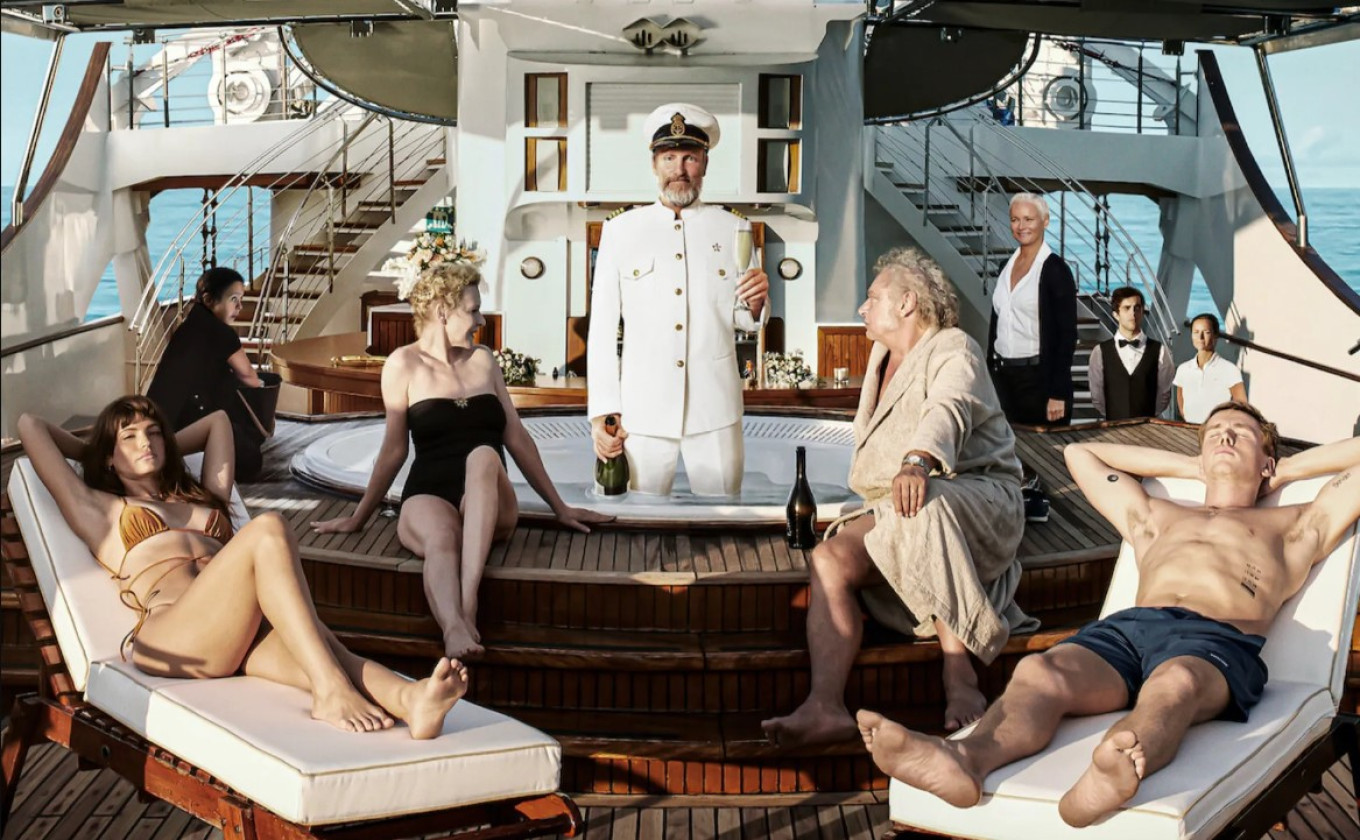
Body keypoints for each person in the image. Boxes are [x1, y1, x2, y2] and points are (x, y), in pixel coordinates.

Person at [857, 402, 1360, 828]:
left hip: (1214, 640)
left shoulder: (1295, 524)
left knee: (1176, 683)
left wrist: (1287, 470)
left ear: (1268, 462)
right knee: (1039, 671)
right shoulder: (1156, 515)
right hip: (1128, 630)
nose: (1224, 437)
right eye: (1214, 434)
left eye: (1240, 434)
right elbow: (1080, 454)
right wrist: (1195, 467)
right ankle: (965, 760)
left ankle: (1114, 767)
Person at [17, 396, 470, 738]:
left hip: (232, 632)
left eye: (153, 433)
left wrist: (156, 446)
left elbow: (218, 420)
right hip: (171, 636)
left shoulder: (202, 497)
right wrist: (95, 448)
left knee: (324, 649)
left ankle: (411, 701)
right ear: (108, 455)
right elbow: (30, 425)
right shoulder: (99, 510)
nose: (146, 442)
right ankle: (329, 691)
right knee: (268, 528)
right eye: (129, 437)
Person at [761, 247, 1033, 746]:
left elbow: (948, 407)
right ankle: (824, 705)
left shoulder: (954, 348)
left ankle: (959, 672)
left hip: (980, 496)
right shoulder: (881, 358)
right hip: (898, 503)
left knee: (921, 504)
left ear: (907, 303)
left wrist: (917, 461)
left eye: (872, 298)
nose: (862, 308)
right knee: (828, 558)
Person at [312, 262, 611, 658]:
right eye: (473, 310)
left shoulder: (483, 360)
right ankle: (453, 628)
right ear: (442, 312)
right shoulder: (403, 365)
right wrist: (358, 518)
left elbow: (517, 438)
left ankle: (469, 603)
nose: (481, 321)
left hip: (489, 496)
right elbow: (394, 450)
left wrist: (561, 508)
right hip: (429, 489)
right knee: (441, 538)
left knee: (483, 455)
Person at [587, 102, 770, 497]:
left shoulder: (735, 228)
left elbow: (743, 316)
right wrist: (602, 413)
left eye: (690, 157)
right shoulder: (621, 231)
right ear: (654, 164)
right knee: (635, 517)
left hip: (716, 409)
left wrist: (756, 304)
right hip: (642, 411)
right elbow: (600, 329)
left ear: (705, 163)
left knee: (724, 516)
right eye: (669, 158)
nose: (679, 169)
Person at [146, 267, 276, 481]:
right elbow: (249, 377)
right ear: (208, 300)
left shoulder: (187, 328)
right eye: (234, 299)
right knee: (251, 462)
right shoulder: (221, 332)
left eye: (241, 300)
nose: (239, 307)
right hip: (182, 428)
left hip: (159, 422)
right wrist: (263, 389)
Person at [986, 193, 1078, 426]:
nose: (1021, 226)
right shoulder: (1005, 267)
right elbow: (998, 324)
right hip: (1002, 378)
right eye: (1015, 219)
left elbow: (1067, 335)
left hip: (1039, 380)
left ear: (1045, 221)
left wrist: (1058, 392)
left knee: (1043, 448)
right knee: (1005, 446)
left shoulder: (1055, 270)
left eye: (1028, 219)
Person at [1088, 286, 1174, 421]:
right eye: (1127, 308)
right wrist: (1114, 413)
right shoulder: (1099, 352)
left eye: (1137, 308)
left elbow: (1164, 395)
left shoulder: (1160, 351)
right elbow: (1097, 396)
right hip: (1113, 427)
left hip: (1148, 427)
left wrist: (1147, 413)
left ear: (1142, 312)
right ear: (1116, 315)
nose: (1133, 313)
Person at [1174, 313, 1246, 424]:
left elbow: (1242, 406)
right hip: (1189, 428)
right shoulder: (1183, 369)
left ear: (1215, 335)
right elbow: (1181, 402)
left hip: (1218, 429)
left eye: (1206, 332)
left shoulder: (1230, 370)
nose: (1200, 337)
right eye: (1196, 332)